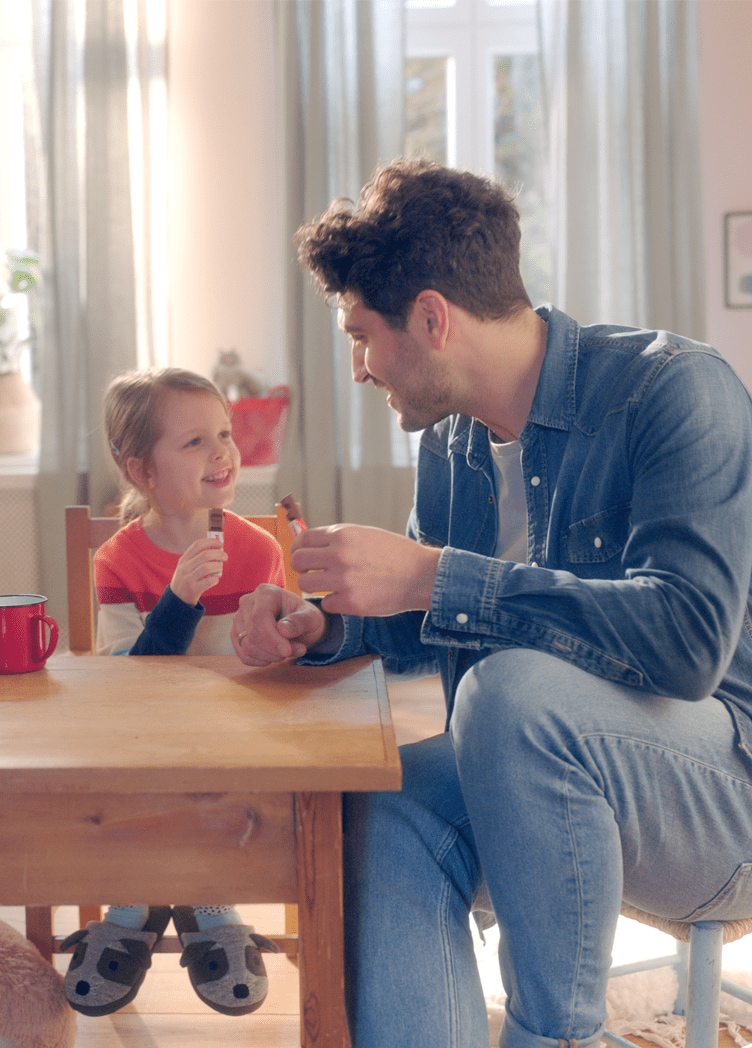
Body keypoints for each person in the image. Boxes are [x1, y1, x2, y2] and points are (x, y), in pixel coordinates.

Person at [231, 158, 752, 1048]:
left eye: (362, 335)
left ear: (431, 319)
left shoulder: (673, 390)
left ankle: (550, 1038)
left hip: (720, 794)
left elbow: (688, 642)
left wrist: (434, 574)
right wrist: (326, 620)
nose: (358, 367)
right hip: (535, 768)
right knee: (382, 798)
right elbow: (424, 614)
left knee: (510, 693)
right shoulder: (453, 444)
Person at [62, 367, 282, 1019]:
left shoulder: (259, 550)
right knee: (131, 764)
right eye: (193, 443)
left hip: (233, 743)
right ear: (142, 470)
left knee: (223, 760)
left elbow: (265, 671)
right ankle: (150, 901)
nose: (222, 452)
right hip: (145, 740)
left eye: (224, 433)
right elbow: (129, 684)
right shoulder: (119, 561)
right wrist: (179, 601)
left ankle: (193, 900)